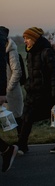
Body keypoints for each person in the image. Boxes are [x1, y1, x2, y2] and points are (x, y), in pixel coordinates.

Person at [17, 27, 55, 154]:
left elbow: (54, 75)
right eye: (24, 38)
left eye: (27, 38)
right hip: (33, 93)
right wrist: (28, 85)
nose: (25, 41)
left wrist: (54, 94)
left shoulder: (46, 52)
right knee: (27, 117)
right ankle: (22, 145)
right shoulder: (30, 53)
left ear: (34, 38)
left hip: (47, 94)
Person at [0, 27, 18, 172]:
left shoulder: (8, 48)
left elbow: (15, 70)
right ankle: (7, 149)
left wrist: (4, 91)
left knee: (22, 117)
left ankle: (8, 149)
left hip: (7, 91)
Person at [0, 26, 24, 136]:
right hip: (5, 91)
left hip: (11, 92)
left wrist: (8, 88)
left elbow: (17, 72)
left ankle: (22, 143)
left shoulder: (11, 51)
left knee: (17, 117)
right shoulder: (3, 51)